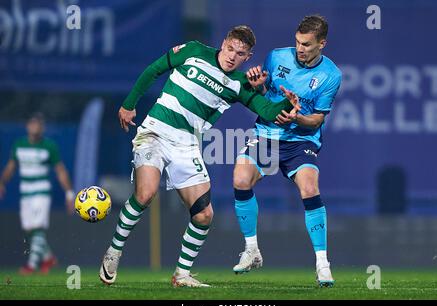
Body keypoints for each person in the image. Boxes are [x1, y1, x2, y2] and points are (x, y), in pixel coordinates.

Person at [98, 25, 301, 288]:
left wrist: (288, 103)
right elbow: (154, 69)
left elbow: (267, 110)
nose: (232, 56)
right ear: (224, 42)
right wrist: (129, 104)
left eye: (240, 54)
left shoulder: (240, 84)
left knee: (204, 215)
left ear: (247, 57)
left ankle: (181, 275)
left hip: (187, 146)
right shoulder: (194, 51)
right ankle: (114, 252)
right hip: (155, 133)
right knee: (145, 194)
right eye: (230, 48)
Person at [232, 15, 342, 287]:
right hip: (266, 135)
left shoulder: (331, 75)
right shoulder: (277, 57)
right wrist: (255, 84)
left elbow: (317, 119)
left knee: (309, 188)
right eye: (297, 42)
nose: (300, 48)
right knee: (240, 179)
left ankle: (322, 264)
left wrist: (295, 118)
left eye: (306, 44)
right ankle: (251, 250)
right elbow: (260, 91)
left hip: (299, 140)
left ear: (322, 44)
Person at [0, 112, 75, 275]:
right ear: (27, 126)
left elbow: (60, 170)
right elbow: (11, 166)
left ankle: (32, 265)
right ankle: (48, 258)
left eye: (38, 124)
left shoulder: (49, 146)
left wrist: (69, 193)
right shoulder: (19, 144)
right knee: (30, 229)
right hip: (25, 192)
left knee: (38, 227)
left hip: (42, 191)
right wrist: (2, 182)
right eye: (32, 124)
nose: (35, 127)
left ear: (42, 128)